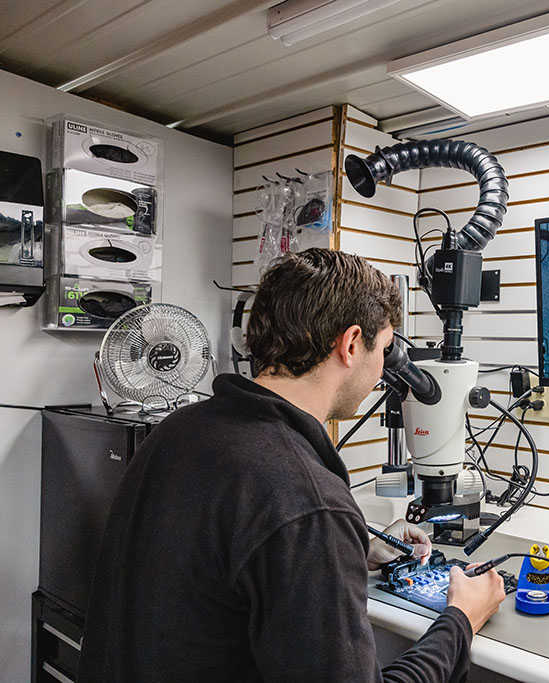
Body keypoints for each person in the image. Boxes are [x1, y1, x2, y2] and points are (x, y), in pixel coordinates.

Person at [79, 248, 506, 682]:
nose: (383, 370)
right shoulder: (307, 501)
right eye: (386, 349)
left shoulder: (178, 432)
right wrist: (460, 620)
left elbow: (215, 573)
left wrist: (350, 548)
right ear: (352, 344)